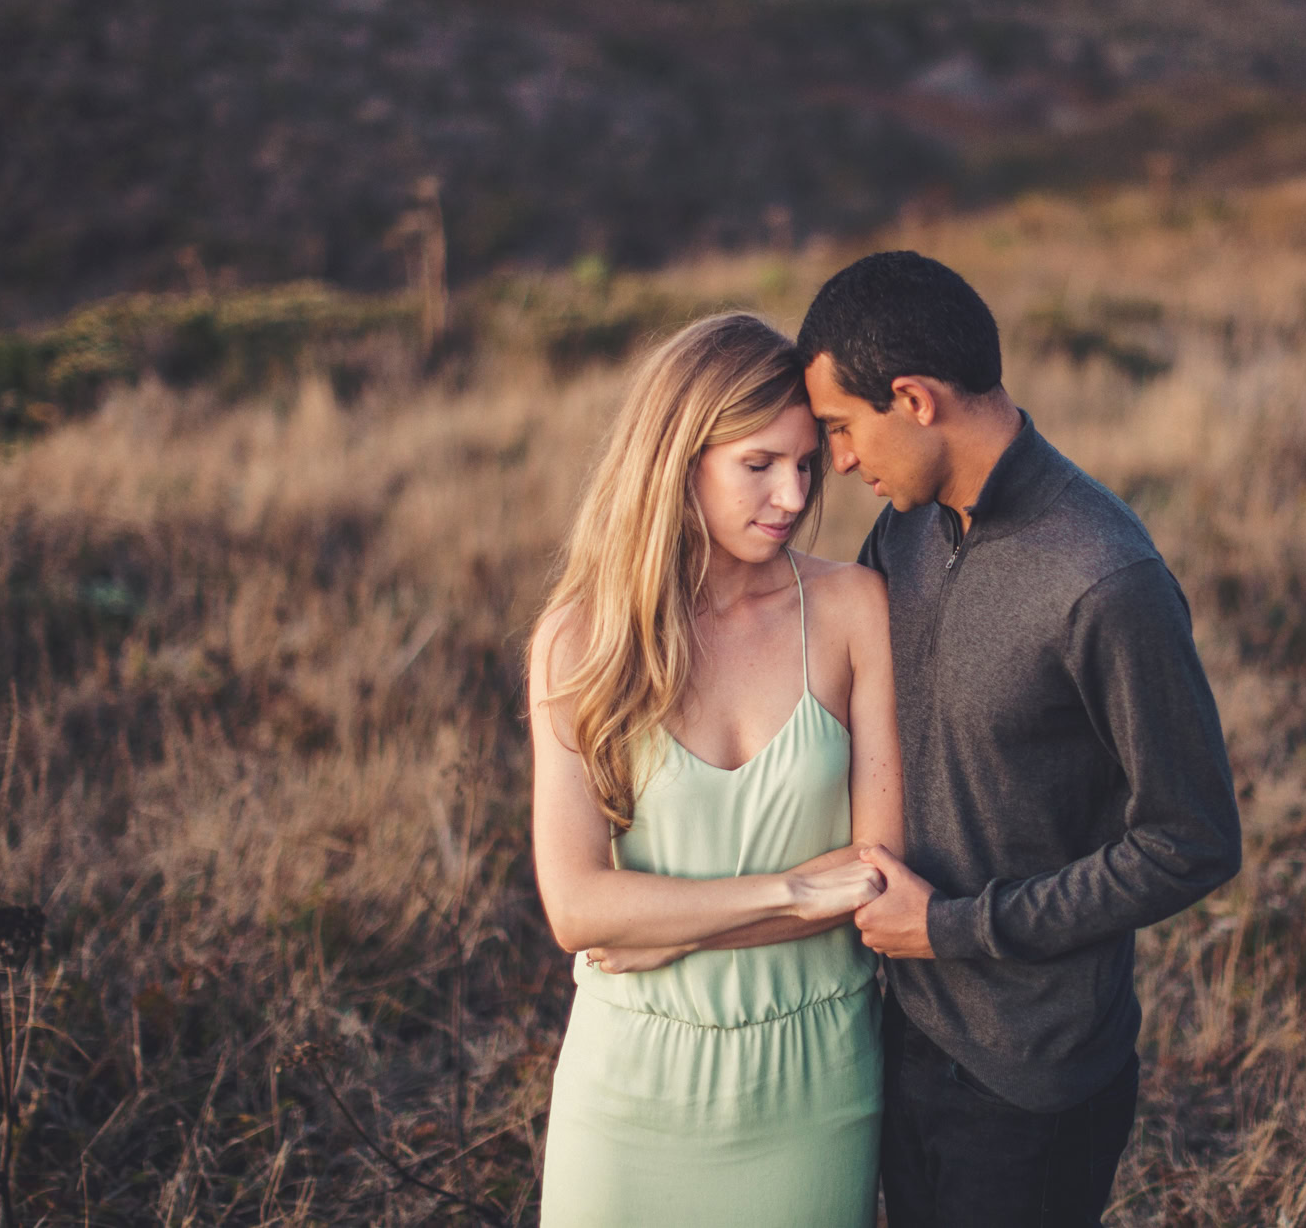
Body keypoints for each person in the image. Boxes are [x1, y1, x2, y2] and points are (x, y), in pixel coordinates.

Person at [796, 251, 1244, 1228]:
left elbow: (1192, 837)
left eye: (839, 428)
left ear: (911, 399)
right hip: (896, 1032)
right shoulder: (903, 532)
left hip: (1029, 1079)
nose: (835, 461)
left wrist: (952, 928)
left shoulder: (1103, 577)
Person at [527, 312, 904, 1228]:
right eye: (758, 463)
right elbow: (578, 910)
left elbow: (875, 876)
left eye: (807, 463)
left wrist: (665, 927)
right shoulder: (583, 640)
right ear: (678, 456)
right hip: (628, 1085)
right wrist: (792, 892)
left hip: (816, 1078)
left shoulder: (852, 609)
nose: (792, 493)